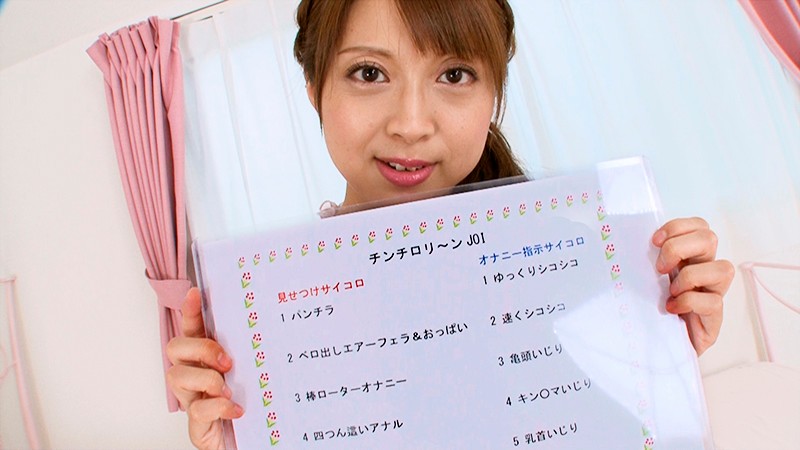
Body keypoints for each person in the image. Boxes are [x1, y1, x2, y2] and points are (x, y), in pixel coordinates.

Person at [166, 0, 735, 448]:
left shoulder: (579, 260)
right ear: (315, 88)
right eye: (369, 72)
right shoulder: (266, 319)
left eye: (455, 74)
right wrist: (239, 436)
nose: (411, 123)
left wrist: (667, 350)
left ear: (493, 95)